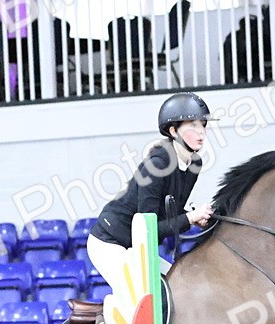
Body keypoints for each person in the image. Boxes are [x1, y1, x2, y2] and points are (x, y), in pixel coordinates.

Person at [85, 91, 215, 294]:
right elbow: (147, 228)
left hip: (139, 249)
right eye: (193, 126)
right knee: (140, 295)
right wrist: (189, 218)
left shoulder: (194, 164)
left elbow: (171, 212)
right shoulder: (156, 165)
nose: (201, 132)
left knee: (178, 289)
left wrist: (192, 217)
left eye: (203, 125)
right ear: (174, 131)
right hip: (110, 244)